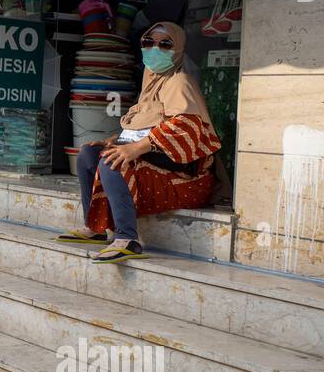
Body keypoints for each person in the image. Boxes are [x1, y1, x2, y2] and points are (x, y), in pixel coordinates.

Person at [56, 22, 221, 263]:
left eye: (164, 44)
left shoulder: (180, 82)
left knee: (112, 159)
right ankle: (96, 228)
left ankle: (127, 238)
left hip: (185, 178)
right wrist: (113, 141)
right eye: (148, 42)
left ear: (177, 50)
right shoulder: (150, 84)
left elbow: (187, 127)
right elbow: (142, 127)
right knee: (89, 154)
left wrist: (136, 148)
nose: (154, 49)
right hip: (153, 162)